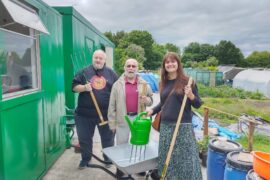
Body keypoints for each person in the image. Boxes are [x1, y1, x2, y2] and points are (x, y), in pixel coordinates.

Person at [147, 52, 202, 179]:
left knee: (185, 161)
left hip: (182, 127)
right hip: (166, 127)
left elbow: (198, 104)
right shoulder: (163, 82)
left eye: (173, 61)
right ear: (164, 65)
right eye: (167, 62)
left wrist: (191, 96)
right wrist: (152, 110)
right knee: (168, 159)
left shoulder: (188, 82)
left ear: (178, 63)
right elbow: (163, 102)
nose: (170, 64)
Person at [72, 49, 118, 169]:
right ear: (92, 58)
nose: (98, 60)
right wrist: (84, 87)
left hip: (105, 114)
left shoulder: (111, 73)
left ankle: (107, 159)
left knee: (108, 139)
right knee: (84, 139)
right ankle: (85, 159)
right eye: (95, 58)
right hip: (84, 115)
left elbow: (118, 91)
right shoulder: (83, 72)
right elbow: (74, 87)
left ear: (104, 59)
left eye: (100, 58)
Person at [108, 58, 153, 176]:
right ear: (124, 68)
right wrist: (112, 123)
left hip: (139, 120)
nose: (131, 68)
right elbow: (111, 105)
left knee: (139, 144)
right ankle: (121, 170)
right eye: (129, 66)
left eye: (134, 66)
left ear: (137, 68)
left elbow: (151, 101)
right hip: (123, 119)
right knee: (122, 145)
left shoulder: (144, 84)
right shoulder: (117, 85)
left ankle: (139, 167)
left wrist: (147, 100)